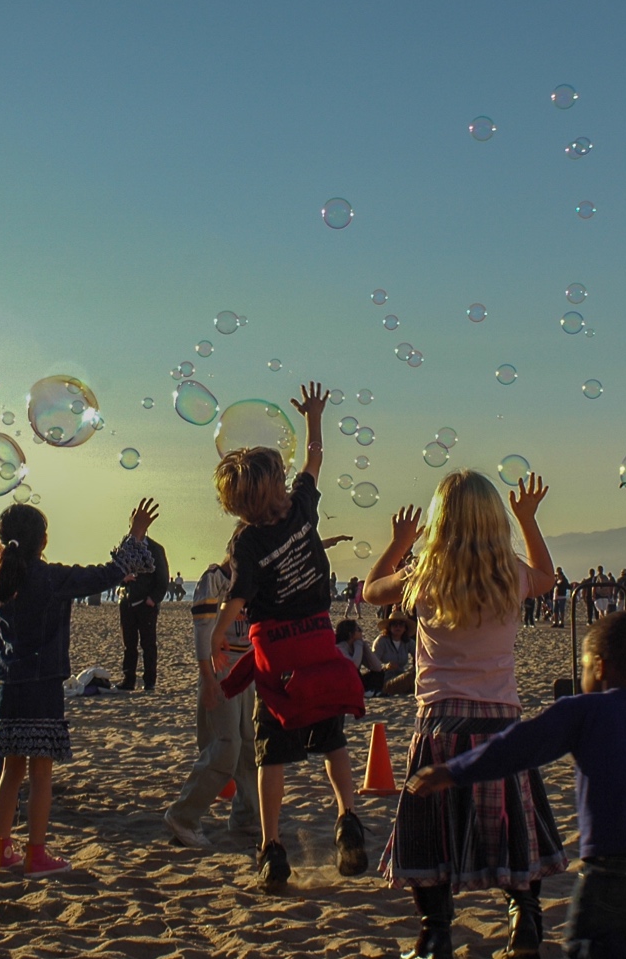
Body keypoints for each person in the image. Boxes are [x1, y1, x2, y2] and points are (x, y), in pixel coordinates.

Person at [408, 612, 626, 959]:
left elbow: (520, 745)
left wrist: (453, 771)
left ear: (600, 667)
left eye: (586, 667)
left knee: (589, 945)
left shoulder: (586, 709)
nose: (584, 675)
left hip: (620, 857)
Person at [363, 471, 564, 959]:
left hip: (440, 722)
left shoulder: (426, 575)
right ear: (494, 519)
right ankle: (525, 925)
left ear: (439, 519)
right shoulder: (507, 572)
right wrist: (529, 519)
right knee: (518, 828)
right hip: (502, 721)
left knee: (430, 828)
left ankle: (435, 934)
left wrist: (398, 543)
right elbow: (547, 576)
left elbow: (371, 591)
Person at [208, 382, 367, 892]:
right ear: (279, 485)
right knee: (332, 739)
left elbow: (237, 596)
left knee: (270, 753)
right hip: (319, 644)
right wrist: (315, 417)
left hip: (276, 658)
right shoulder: (301, 507)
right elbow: (316, 457)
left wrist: (216, 634)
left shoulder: (247, 541)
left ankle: (272, 847)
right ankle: (348, 818)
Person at [0, 496, 158, 876]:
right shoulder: (48, 577)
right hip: (42, 684)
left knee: (11, 770)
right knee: (41, 772)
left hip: (8, 683)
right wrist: (136, 534)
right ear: (42, 542)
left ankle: (0, 850)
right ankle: (36, 854)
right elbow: (106, 573)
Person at [164, 553, 261, 848]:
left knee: (248, 743)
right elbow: (202, 633)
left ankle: (246, 816)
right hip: (221, 668)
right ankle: (184, 815)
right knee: (226, 745)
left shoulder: (251, 577)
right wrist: (207, 680)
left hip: (246, 667)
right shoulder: (214, 580)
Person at [117, 535, 169, 692]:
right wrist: (122, 579)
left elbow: (163, 577)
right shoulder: (125, 546)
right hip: (127, 601)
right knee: (129, 643)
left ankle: (150, 681)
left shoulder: (155, 548)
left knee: (148, 643)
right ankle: (129, 679)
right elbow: (115, 570)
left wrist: (153, 599)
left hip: (146, 604)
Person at [371, 611, 417, 697]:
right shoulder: (382, 641)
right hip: (385, 680)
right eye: (394, 624)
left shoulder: (408, 642)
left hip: (400, 675)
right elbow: (372, 662)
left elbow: (419, 656)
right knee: (409, 676)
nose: (398, 627)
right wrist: (385, 666)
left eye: (401, 625)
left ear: (405, 628)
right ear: (389, 627)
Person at [336, 619, 386, 694]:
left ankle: (369, 691)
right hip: (342, 680)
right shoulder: (340, 647)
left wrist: (365, 646)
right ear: (350, 634)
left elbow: (377, 667)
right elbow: (353, 666)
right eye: (358, 630)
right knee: (354, 672)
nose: (361, 631)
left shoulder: (355, 647)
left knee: (379, 674)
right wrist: (358, 644)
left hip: (354, 679)